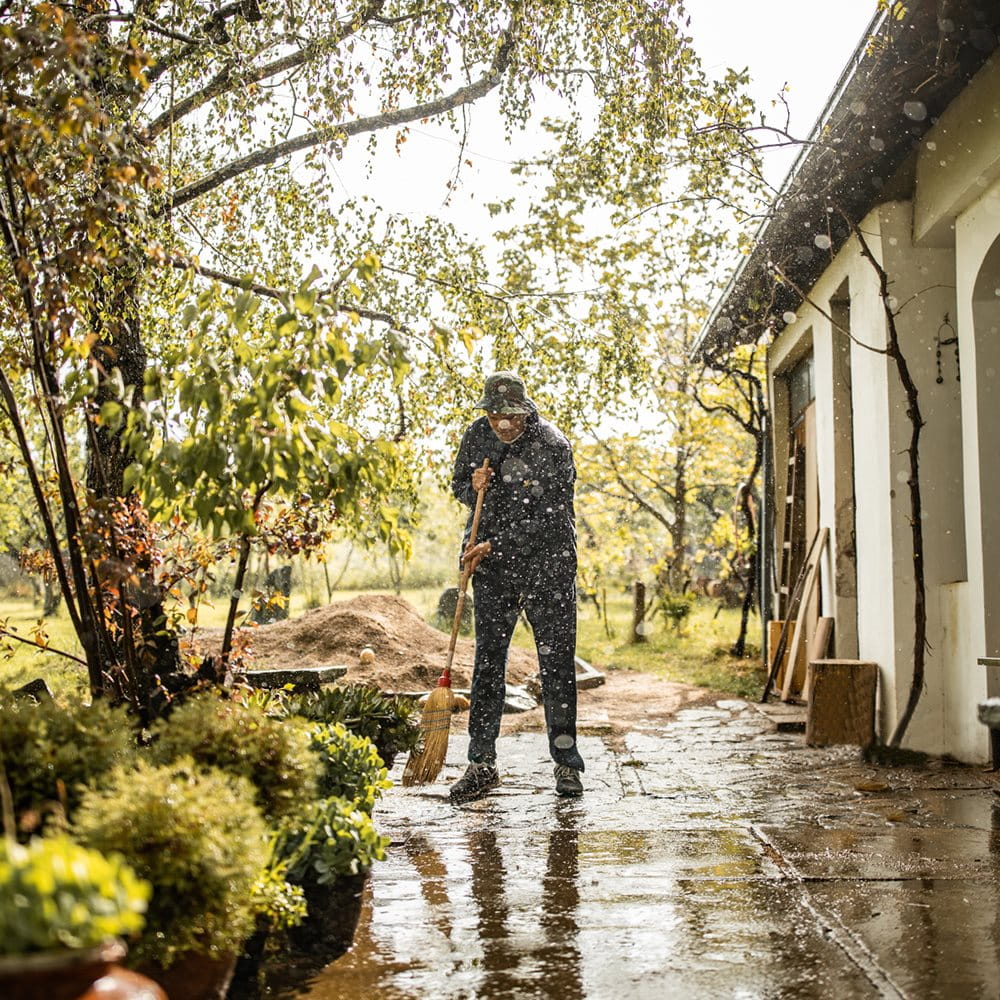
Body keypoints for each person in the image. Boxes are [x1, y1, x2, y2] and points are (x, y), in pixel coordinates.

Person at [448, 371, 584, 804]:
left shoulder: (553, 446)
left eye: (509, 415)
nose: (502, 424)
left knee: (556, 664)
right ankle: (481, 764)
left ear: (524, 409)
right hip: (494, 570)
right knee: (488, 663)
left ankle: (566, 764)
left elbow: (550, 520)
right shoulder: (476, 437)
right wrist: (471, 488)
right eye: (493, 415)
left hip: (549, 566)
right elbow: (457, 487)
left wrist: (495, 544)